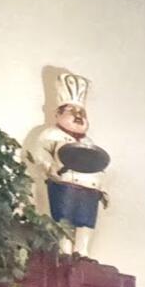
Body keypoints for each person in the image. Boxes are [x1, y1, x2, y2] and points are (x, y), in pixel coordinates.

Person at [28, 68, 109, 250]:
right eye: (72, 110)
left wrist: (103, 189)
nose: (78, 115)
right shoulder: (52, 135)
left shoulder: (88, 142)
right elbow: (39, 153)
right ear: (58, 114)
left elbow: (98, 166)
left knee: (86, 221)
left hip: (89, 188)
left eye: (82, 111)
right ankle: (64, 250)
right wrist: (49, 166)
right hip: (64, 183)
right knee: (65, 219)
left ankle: (82, 251)